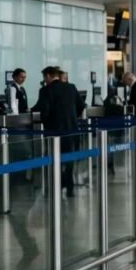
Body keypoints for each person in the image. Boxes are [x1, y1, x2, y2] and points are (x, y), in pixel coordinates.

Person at [33, 66, 86, 196]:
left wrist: (47, 124)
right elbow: (81, 105)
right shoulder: (71, 87)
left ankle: (56, 185)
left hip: (54, 131)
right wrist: (72, 117)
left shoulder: (45, 90)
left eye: (44, 77)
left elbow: (44, 111)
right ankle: (69, 187)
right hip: (72, 129)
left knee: (53, 159)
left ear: (48, 76)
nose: (44, 80)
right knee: (69, 159)